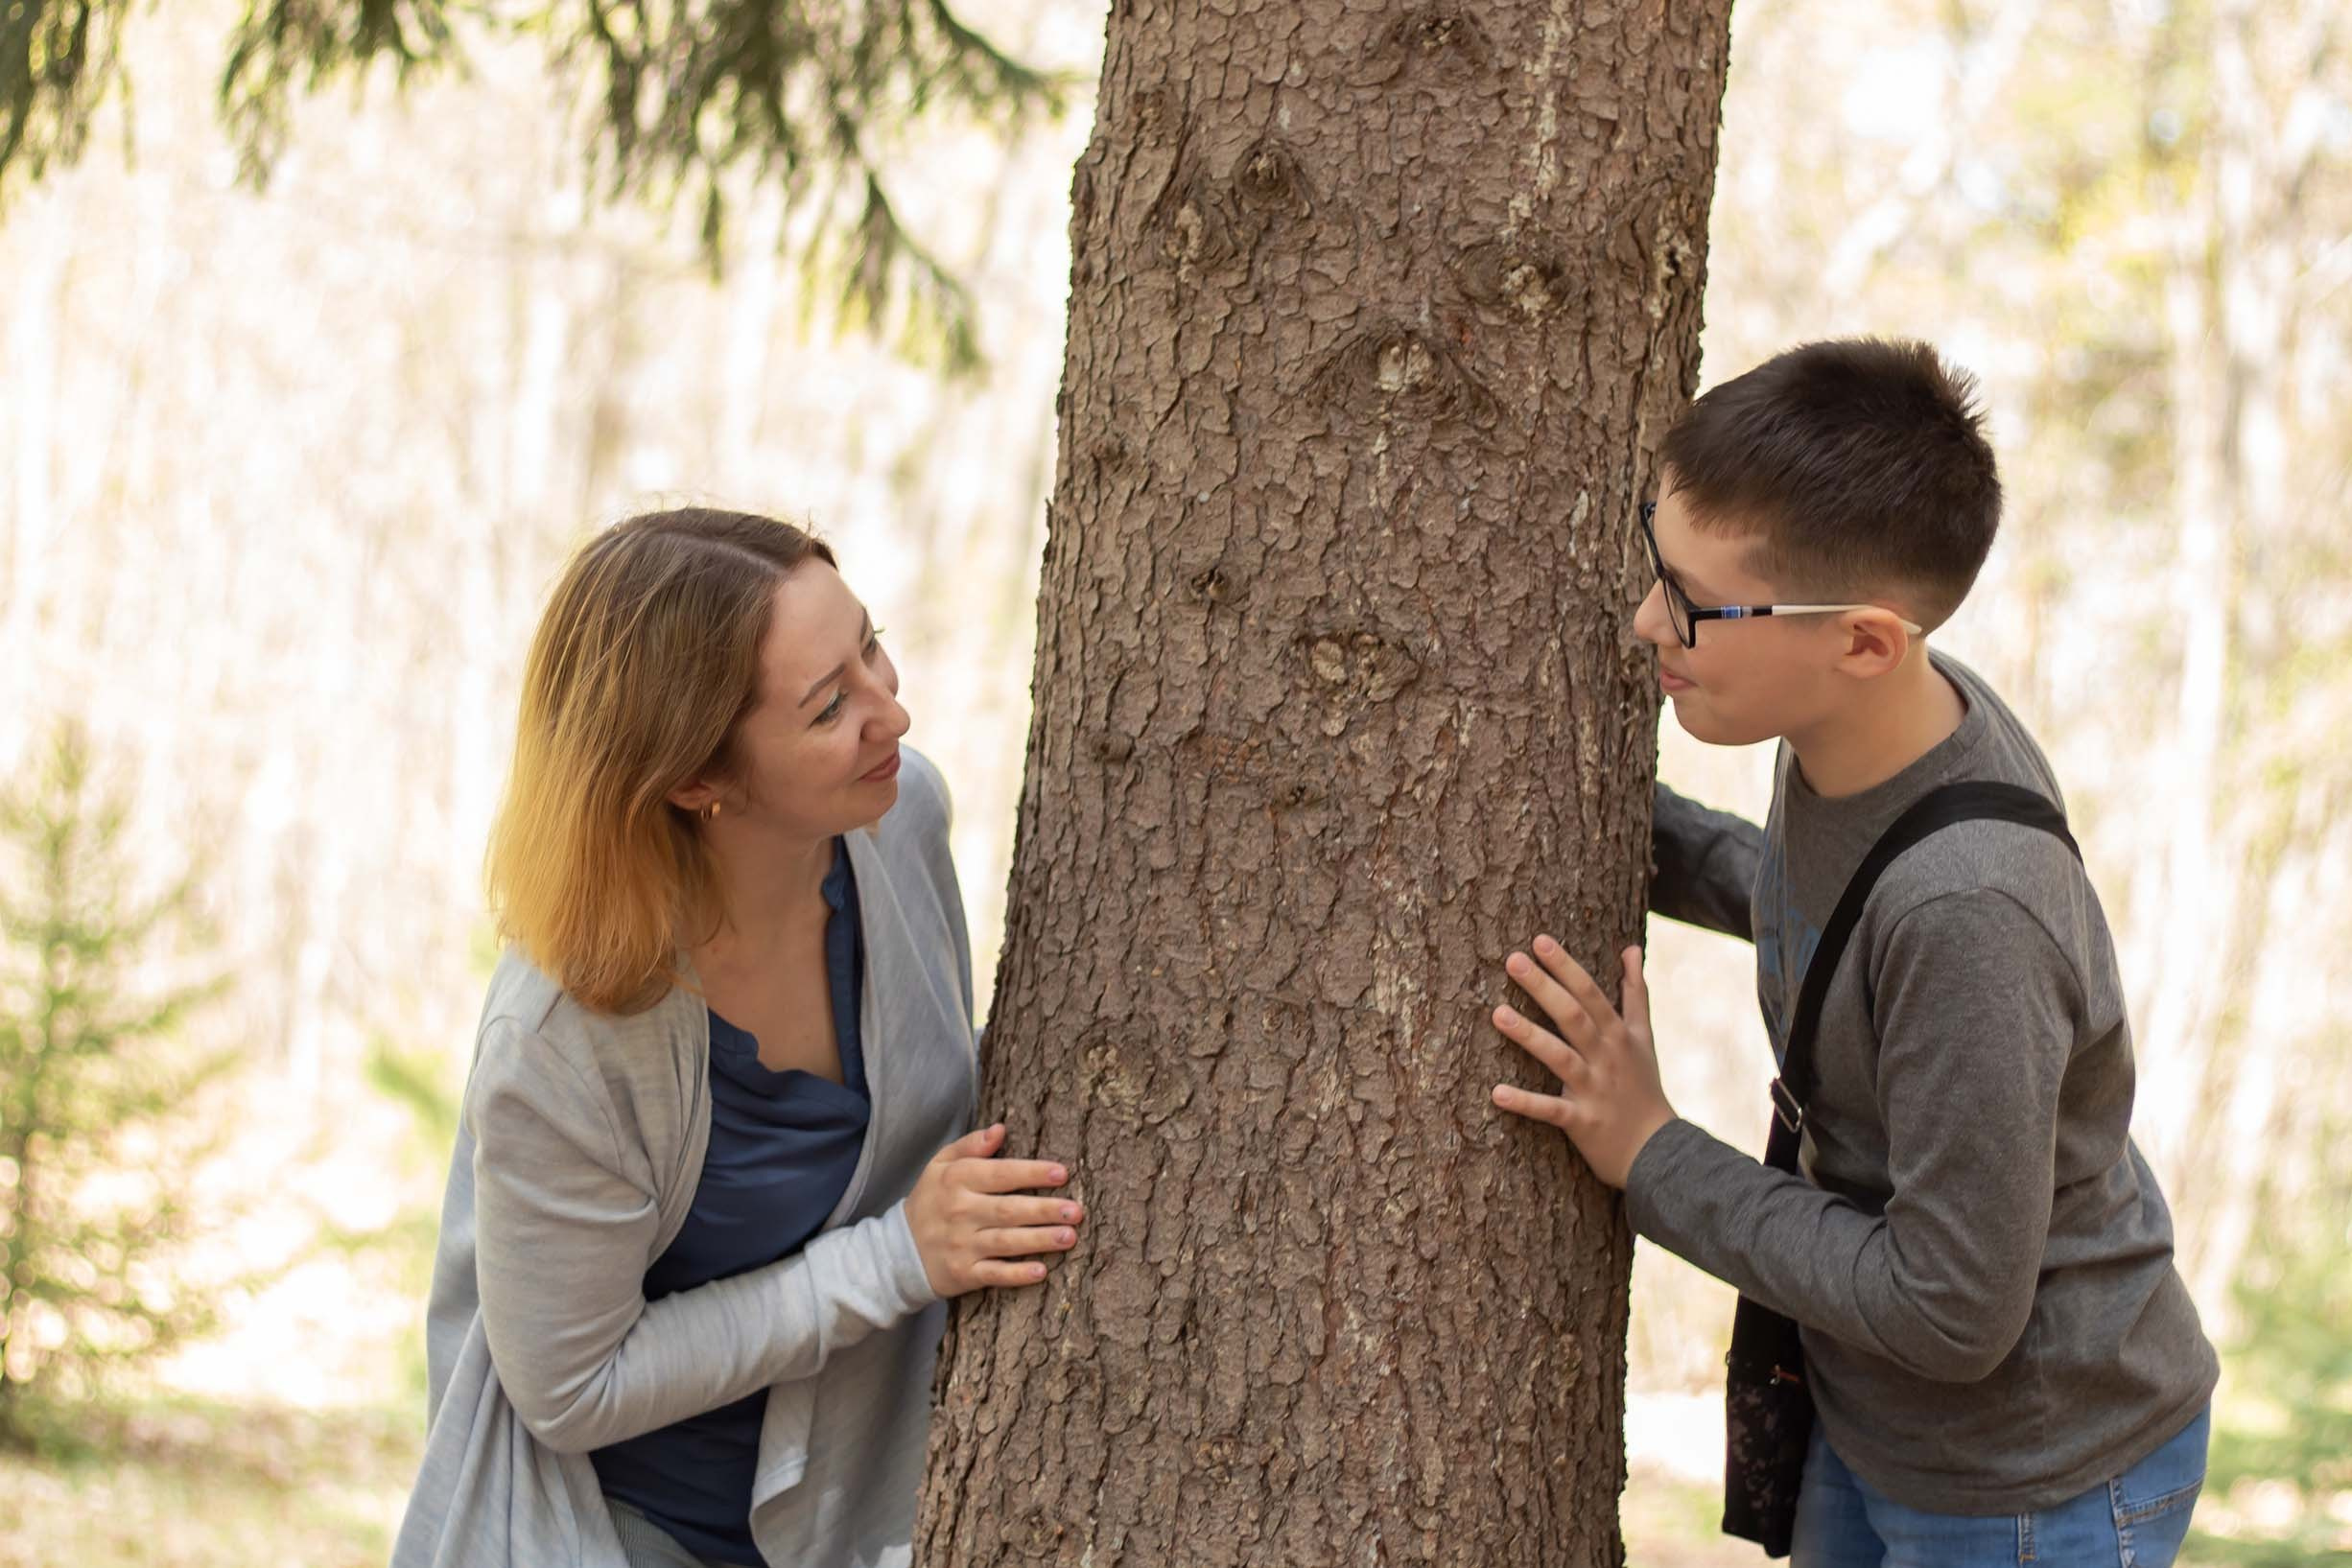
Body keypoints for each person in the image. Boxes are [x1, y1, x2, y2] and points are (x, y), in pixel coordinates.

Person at [1484, 340, 2218, 1566]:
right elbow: (1833, 915)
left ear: (1866, 642)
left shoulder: (1973, 910)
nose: (1642, 620)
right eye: (1653, 563)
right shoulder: (1856, 724)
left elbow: (1950, 1309)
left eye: (1693, 604)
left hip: (2032, 1483)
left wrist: (1651, 1154)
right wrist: (1636, 836)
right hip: (1872, 1420)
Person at [392, 508, 1083, 1568]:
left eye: (872, 646)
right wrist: (897, 1258)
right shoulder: (566, 1035)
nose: (891, 712)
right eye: (829, 707)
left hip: (861, 1502)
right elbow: (574, 1389)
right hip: (623, 1532)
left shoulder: (899, 823)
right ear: (696, 781)